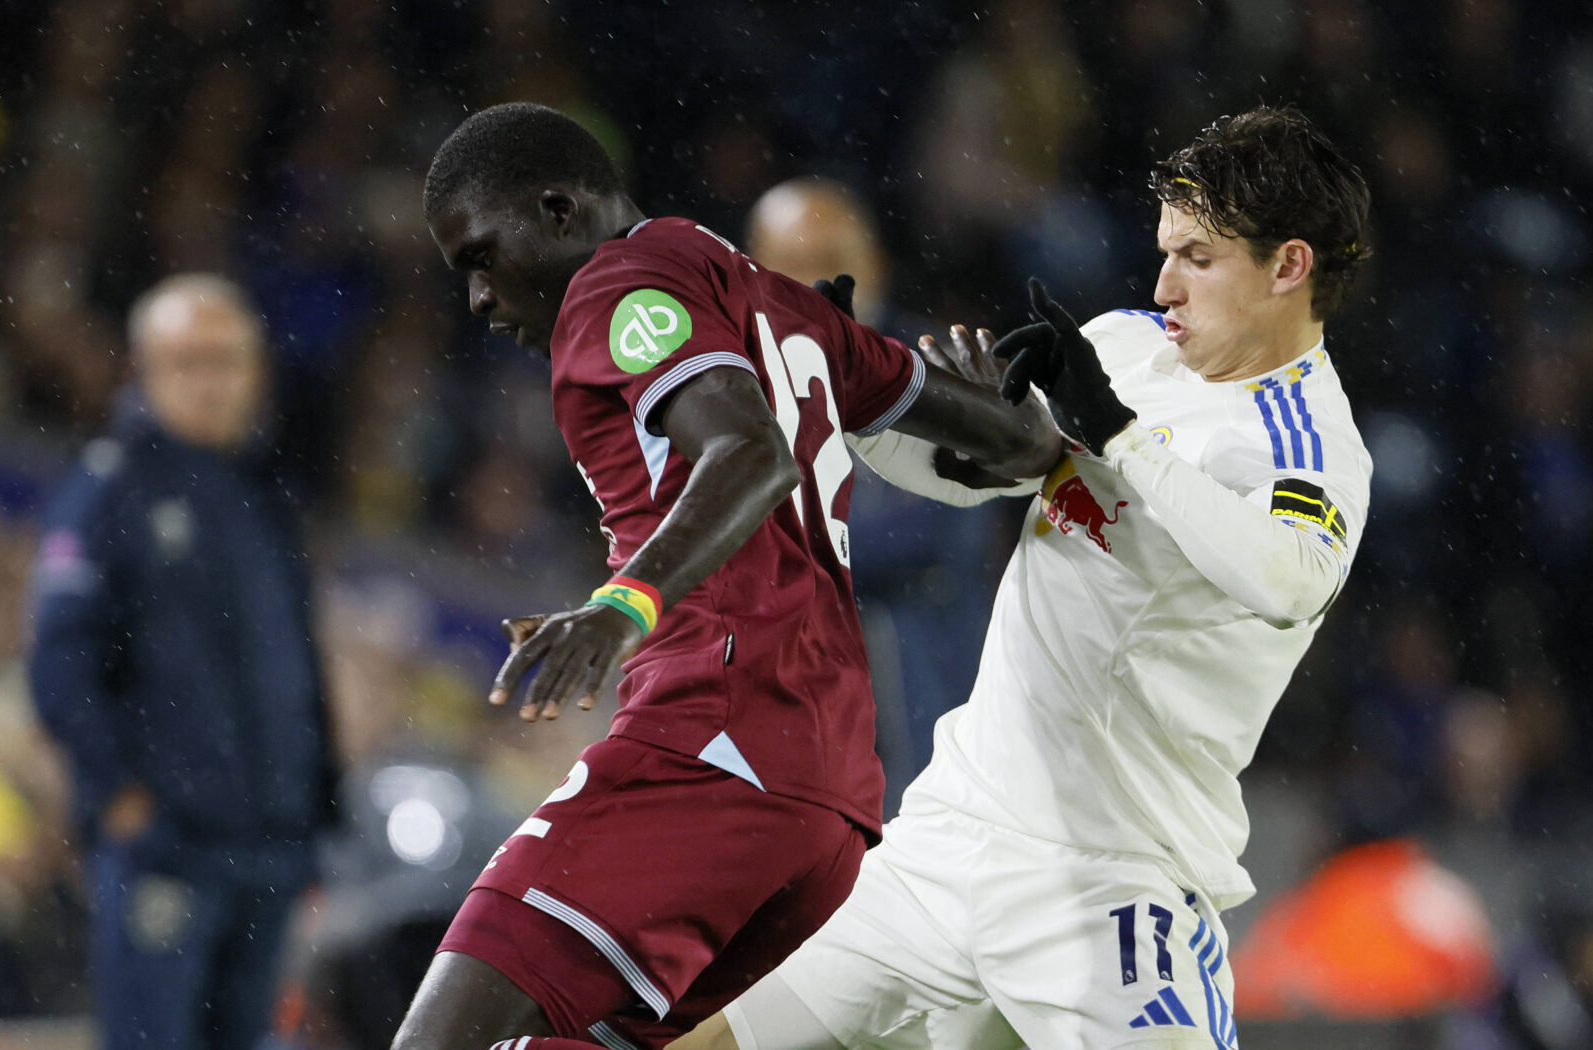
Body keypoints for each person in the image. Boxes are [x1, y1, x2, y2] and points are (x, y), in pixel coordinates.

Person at [678, 104, 1377, 1050]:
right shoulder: (1128, 347)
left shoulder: (1309, 445)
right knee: (710, 1040)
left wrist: (1123, 439)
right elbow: (976, 480)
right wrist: (858, 401)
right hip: (956, 825)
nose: (1165, 284)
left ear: (1289, 266)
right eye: (1165, 252)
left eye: (1199, 259)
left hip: (1112, 878)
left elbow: (1287, 578)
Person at [399, 103, 1064, 1050]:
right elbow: (1024, 447)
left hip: (715, 744)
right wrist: (1008, 399)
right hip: (831, 800)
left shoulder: (617, 286)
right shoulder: (790, 309)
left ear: (556, 210)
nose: (475, 296)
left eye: (476, 256)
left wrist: (624, 607)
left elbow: (751, 456)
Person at [28, 274, 338, 1050]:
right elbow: (58, 666)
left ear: (255, 369)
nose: (210, 381)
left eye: (225, 360)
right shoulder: (111, 492)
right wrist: (119, 798)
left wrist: (318, 802)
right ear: (144, 369)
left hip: (269, 848)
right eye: (187, 361)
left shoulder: (265, 494)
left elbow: (298, 662)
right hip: (170, 849)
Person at [745, 178, 1009, 814]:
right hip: (782, 722)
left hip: (929, 705)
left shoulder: (942, 373)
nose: (812, 282)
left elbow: (955, 520)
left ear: (876, 267)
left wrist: (784, 537)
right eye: (790, 263)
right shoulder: (723, 390)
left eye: (830, 257)